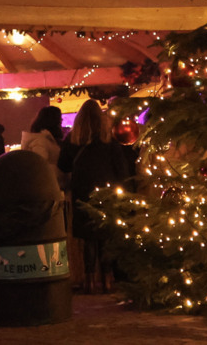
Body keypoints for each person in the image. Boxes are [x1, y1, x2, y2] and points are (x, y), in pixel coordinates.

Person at [64, 103, 134, 294]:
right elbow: (121, 168)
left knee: (88, 238)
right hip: (106, 192)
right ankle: (107, 279)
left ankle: (89, 280)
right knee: (105, 236)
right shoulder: (108, 140)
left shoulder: (73, 139)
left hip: (81, 191)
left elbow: (63, 164)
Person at [20, 105, 64, 170]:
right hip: (49, 179)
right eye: (60, 118)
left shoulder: (45, 139)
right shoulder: (40, 141)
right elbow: (40, 166)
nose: (61, 120)